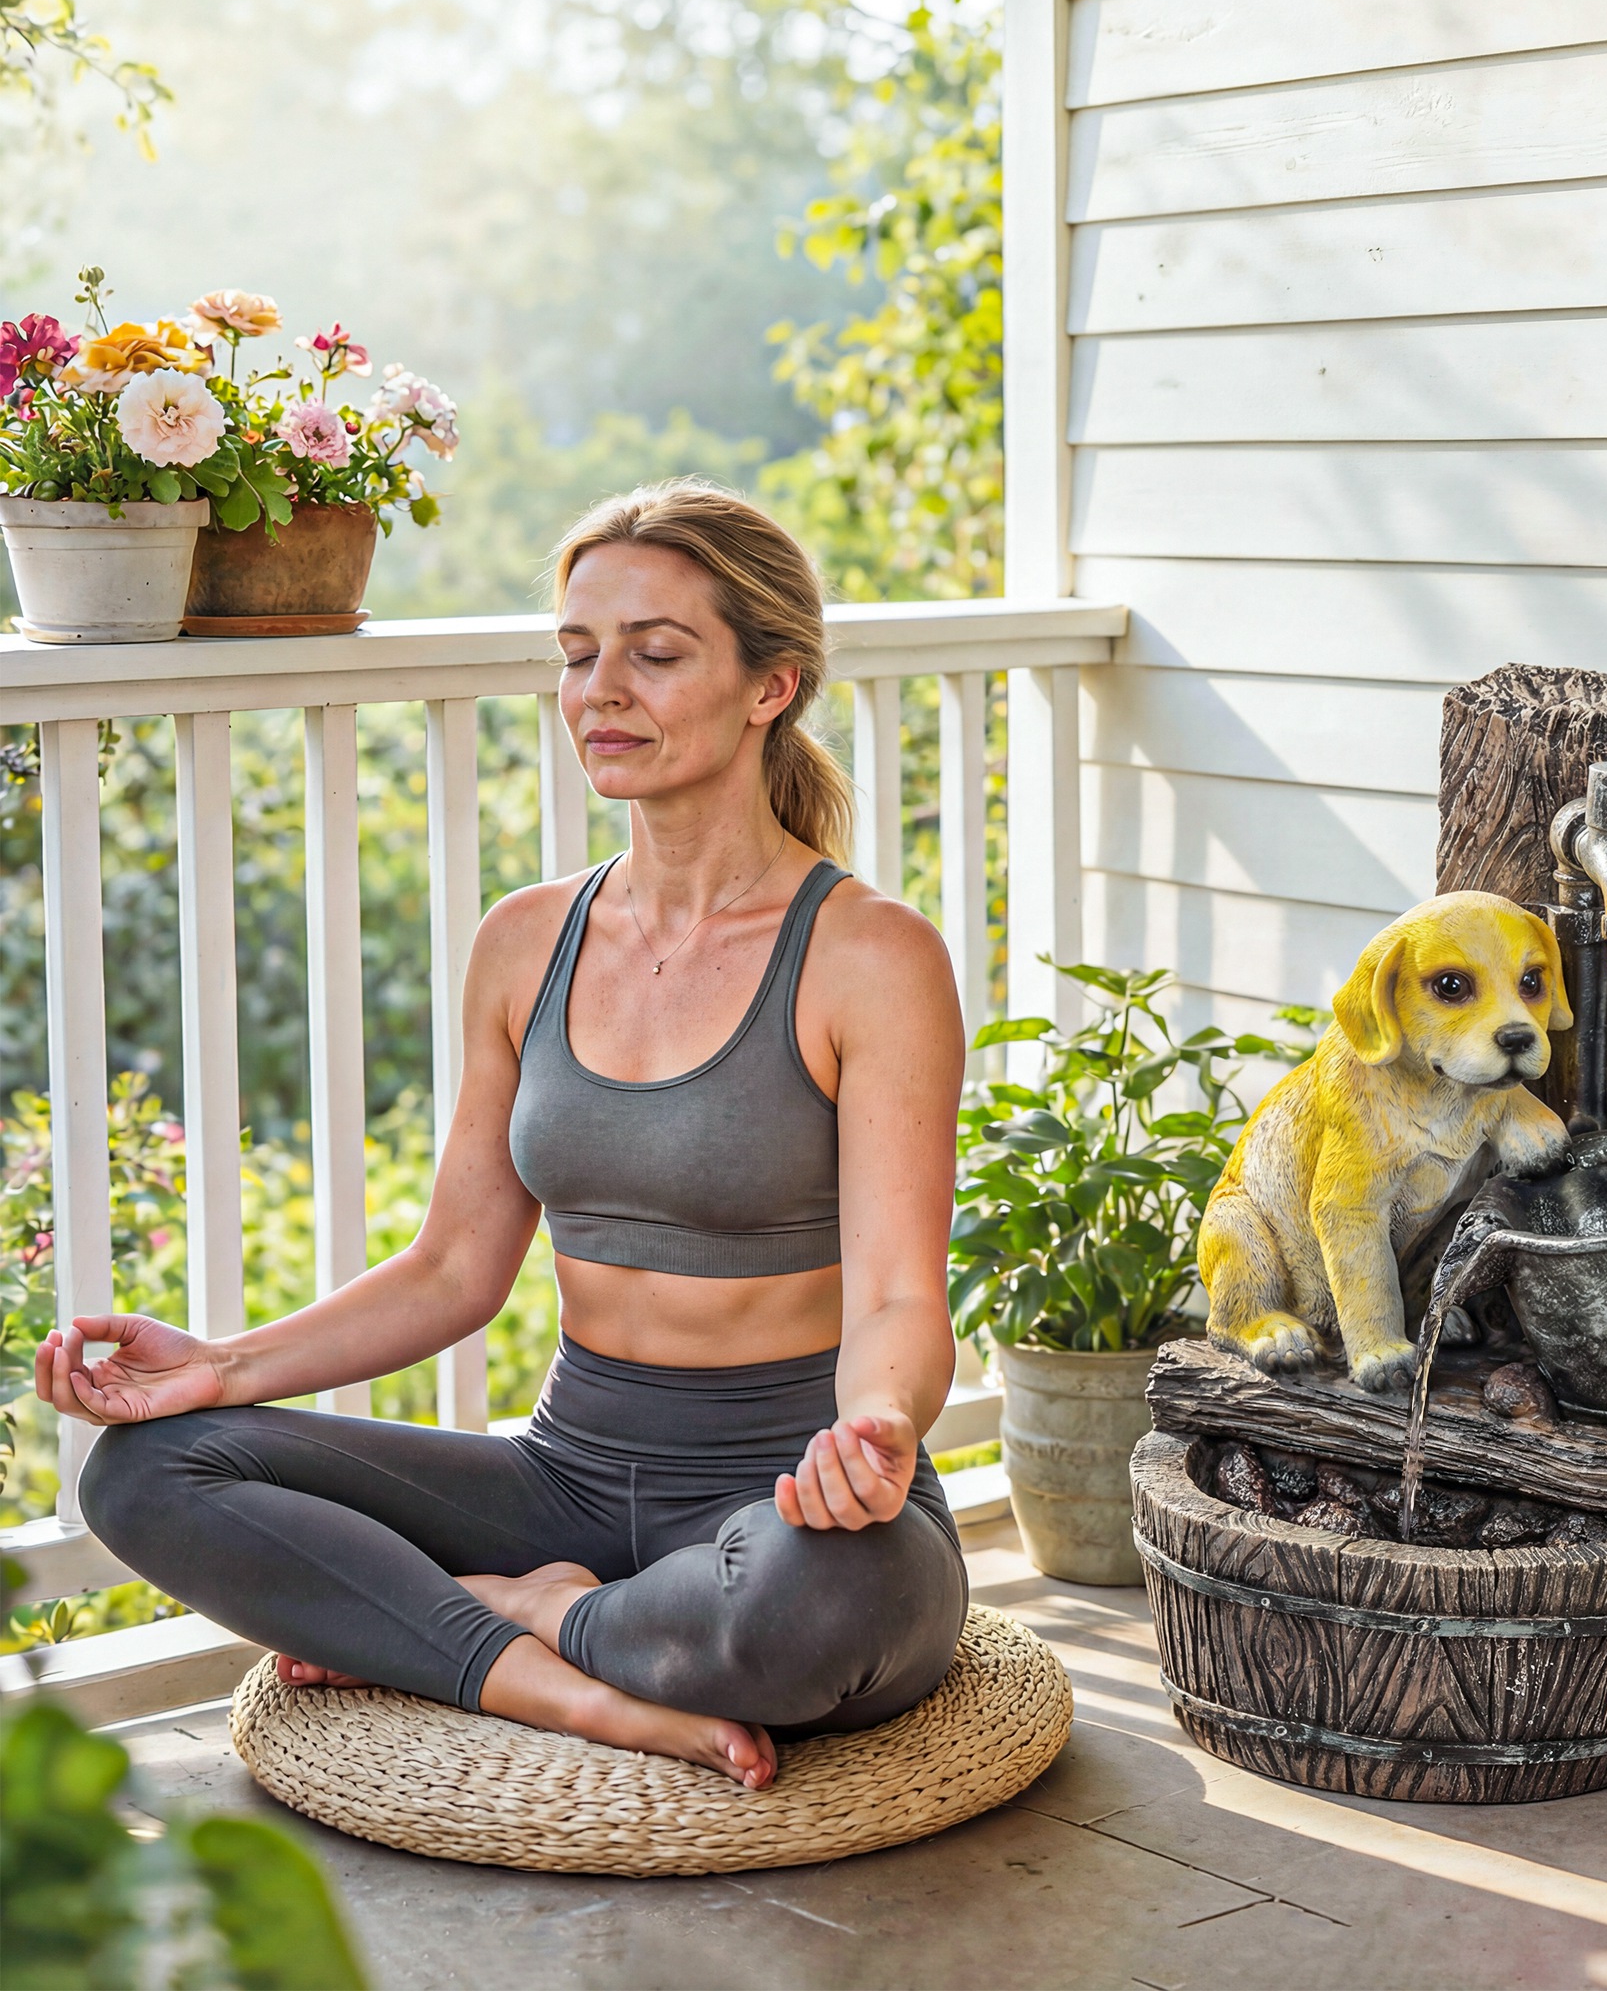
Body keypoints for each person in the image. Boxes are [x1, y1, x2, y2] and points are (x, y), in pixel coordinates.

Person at [37, 482, 970, 1791]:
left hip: (788, 1497)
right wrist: (219, 1368)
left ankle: (518, 1618)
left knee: (827, 1611)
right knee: (145, 1474)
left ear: (773, 685)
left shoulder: (871, 956)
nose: (600, 692)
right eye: (580, 654)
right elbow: (453, 1271)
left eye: (656, 653)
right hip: (565, 1480)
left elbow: (893, 1293)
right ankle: (577, 1682)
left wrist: (876, 1429)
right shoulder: (527, 942)